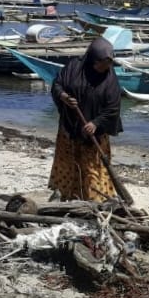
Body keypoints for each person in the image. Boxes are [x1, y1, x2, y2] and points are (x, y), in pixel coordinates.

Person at [49, 36, 123, 201]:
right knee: (68, 163)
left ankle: (95, 199)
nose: (104, 69)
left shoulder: (110, 81)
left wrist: (96, 123)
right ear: (92, 60)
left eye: (108, 65)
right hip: (69, 128)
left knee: (93, 168)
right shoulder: (74, 67)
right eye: (100, 65)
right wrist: (64, 97)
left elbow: (113, 108)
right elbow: (57, 85)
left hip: (94, 134)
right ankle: (68, 195)